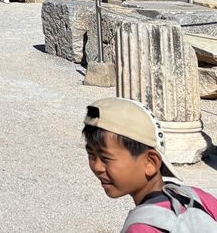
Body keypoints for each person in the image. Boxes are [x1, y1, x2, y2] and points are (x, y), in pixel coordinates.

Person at [83, 96, 217, 231]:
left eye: (106, 158)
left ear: (150, 162)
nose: (97, 167)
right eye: (91, 154)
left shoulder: (141, 228)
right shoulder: (197, 197)